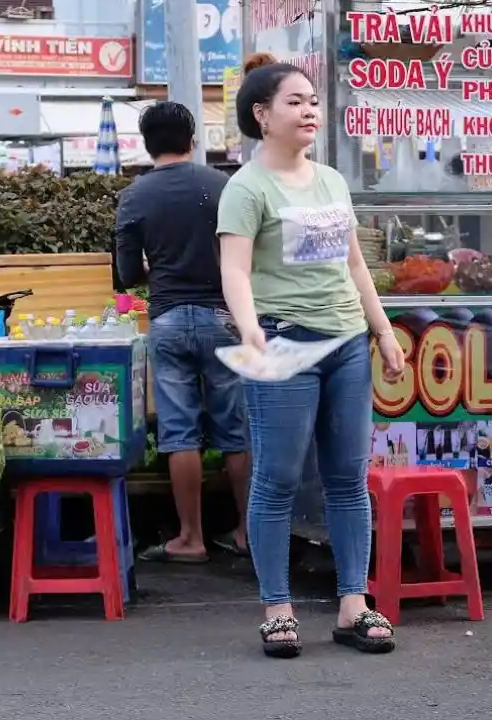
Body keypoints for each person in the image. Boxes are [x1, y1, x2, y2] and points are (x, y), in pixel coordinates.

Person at [217, 54, 407, 658]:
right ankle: (278, 609)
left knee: (348, 478)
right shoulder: (246, 188)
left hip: (347, 343)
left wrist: (382, 332)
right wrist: (250, 331)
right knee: (276, 479)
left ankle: (355, 605)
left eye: (312, 102)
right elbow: (235, 269)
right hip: (283, 341)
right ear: (261, 115)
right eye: (294, 102)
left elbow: (354, 266)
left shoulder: (330, 180)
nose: (308, 111)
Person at [113, 101, 251, 563]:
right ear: (193, 140)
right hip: (223, 318)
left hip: (169, 319)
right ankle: (250, 531)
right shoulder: (223, 185)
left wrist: (153, 267)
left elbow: (126, 272)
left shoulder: (135, 196)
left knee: (180, 432)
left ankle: (190, 537)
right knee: (235, 430)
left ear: (147, 145)